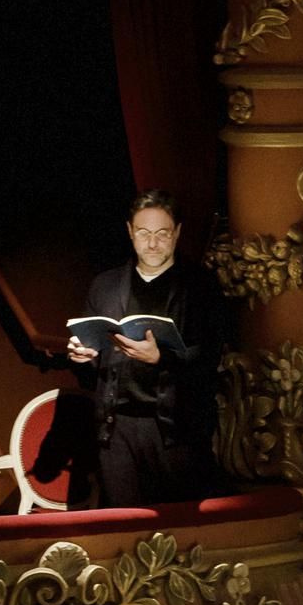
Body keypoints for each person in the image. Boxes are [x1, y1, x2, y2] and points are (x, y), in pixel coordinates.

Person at [63, 189, 213, 511]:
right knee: (124, 526)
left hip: (174, 431)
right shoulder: (105, 285)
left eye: (162, 234)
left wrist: (162, 357)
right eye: (144, 233)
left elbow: (211, 357)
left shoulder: (201, 286)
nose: (153, 243)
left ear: (177, 233)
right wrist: (82, 357)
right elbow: (93, 369)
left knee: (176, 528)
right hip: (116, 429)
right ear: (130, 232)